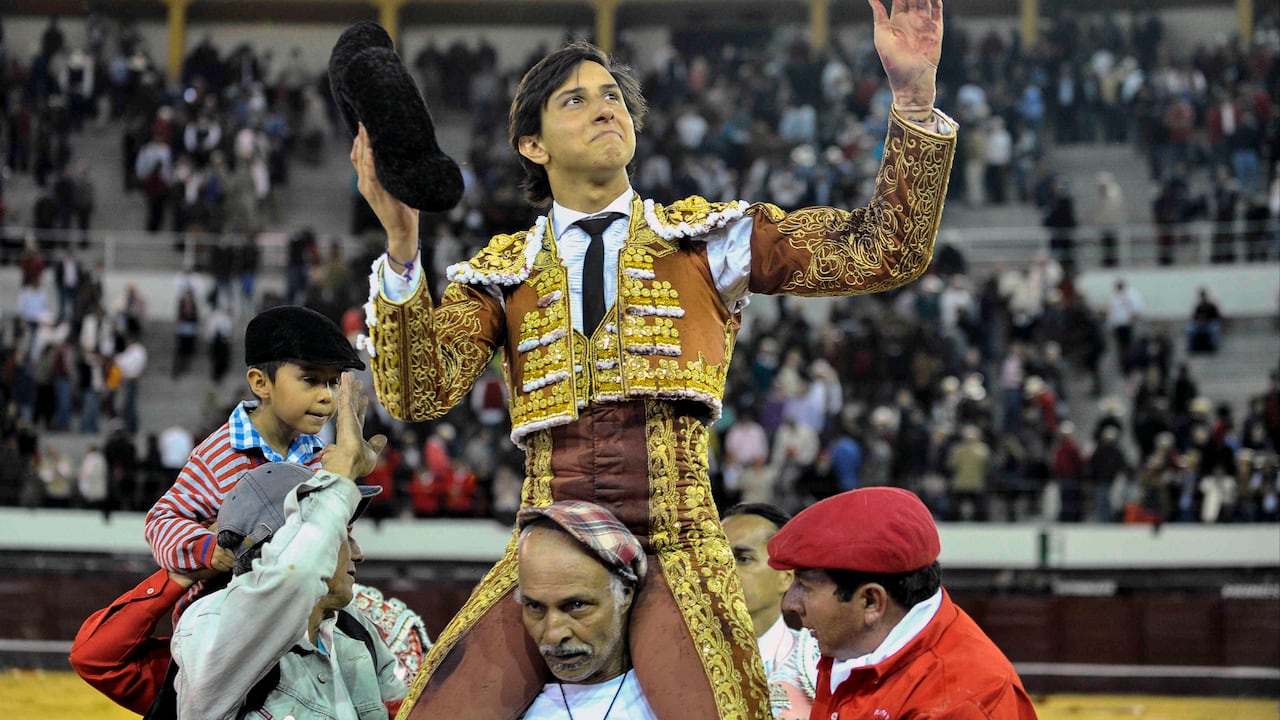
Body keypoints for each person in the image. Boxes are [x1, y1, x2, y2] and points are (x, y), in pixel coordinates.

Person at [354, 1, 955, 716]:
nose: (604, 108)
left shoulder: (708, 239)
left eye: (612, 96)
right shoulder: (502, 271)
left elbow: (885, 249)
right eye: (575, 100)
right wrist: (402, 246)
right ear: (533, 145)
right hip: (547, 543)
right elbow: (416, 392)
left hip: (677, 542)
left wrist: (914, 101)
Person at [171, 372, 406, 718]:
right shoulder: (210, 625)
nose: (358, 552)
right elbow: (296, 575)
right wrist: (340, 474)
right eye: (342, 534)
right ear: (282, 543)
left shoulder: (353, 630)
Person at [144, 305, 366, 610]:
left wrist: (341, 480)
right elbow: (161, 521)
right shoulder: (220, 453)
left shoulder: (321, 457)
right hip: (222, 616)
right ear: (261, 383)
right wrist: (205, 548)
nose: (327, 396)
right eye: (310, 380)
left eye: (333, 382)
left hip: (296, 611)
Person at [767, 487, 1038, 719]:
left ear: (871, 602)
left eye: (805, 586)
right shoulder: (852, 642)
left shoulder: (963, 703)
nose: (790, 603)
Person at [515, 500, 656, 719]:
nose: (553, 635)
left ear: (625, 594)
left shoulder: (671, 703)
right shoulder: (505, 708)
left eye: (577, 606)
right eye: (535, 607)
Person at [721, 503, 820, 720]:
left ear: (786, 576)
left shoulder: (818, 662)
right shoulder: (675, 658)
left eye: (743, 559)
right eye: (715, 559)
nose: (721, 571)